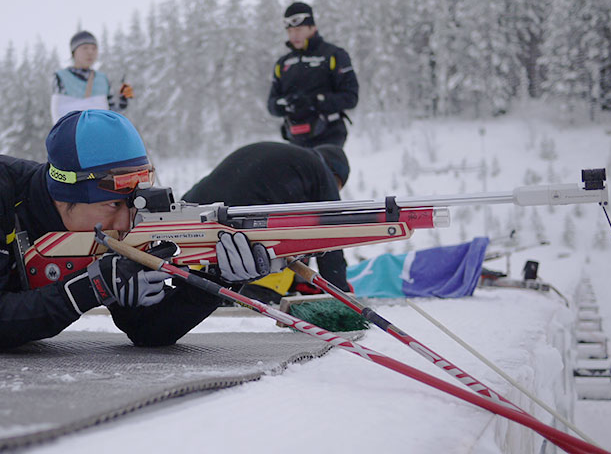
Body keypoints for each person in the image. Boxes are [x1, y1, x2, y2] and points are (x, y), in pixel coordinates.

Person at [0, 110, 271, 349]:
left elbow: (148, 331)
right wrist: (90, 288)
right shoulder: (5, 191)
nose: (124, 223)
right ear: (64, 196)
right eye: (112, 204)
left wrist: (215, 281)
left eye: (131, 205)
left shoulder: (109, 229)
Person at [182, 141, 351, 304]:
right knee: (276, 249)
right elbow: (331, 236)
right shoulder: (321, 170)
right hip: (243, 222)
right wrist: (341, 294)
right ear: (335, 175)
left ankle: (207, 285)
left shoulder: (287, 160)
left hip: (196, 212)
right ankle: (256, 291)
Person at [267, 2, 359, 148]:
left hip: (329, 138)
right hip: (295, 140)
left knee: (322, 170)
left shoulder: (333, 55)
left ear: (313, 27)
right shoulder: (283, 64)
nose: (293, 35)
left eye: (298, 29)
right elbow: (271, 104)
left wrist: (314, 102)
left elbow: (350, 97)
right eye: (289, 31)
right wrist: (288, 104)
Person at [50, 31, 134, 124]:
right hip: (72, 133)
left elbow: (110, 113)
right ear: (74, 52)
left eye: (94, 48)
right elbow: (58, 114)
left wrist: (122, 101)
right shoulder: (61, 77)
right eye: (85, 48)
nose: (90, 52)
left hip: (98, 133)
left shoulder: (102, 79)